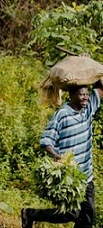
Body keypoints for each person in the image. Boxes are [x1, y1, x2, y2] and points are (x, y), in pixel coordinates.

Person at [22, 80, 103, 228]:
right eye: (81, 95)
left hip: (87, 175)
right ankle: (30, 214)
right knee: (71, 214)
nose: (85, 97)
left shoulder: (88, 109)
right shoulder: (62, 114)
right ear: (72, 95)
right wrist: (55, 155)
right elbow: (46, 141)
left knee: (88, 217)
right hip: (70, 179)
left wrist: (84, 63)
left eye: (86, 94)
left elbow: (101, 86)